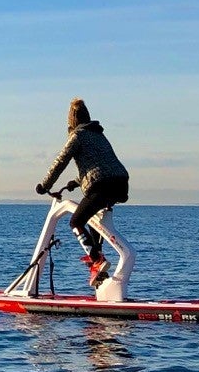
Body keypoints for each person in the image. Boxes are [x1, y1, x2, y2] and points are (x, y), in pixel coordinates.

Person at [35, 99, 130, 284]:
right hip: (120, 182)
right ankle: (99, 264)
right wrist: (78, 181)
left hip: (101, 185)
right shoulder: (99, 135)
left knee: (76, 221)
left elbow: (60, 162)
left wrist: (45, 185)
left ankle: (96, 261)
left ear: (71, 120)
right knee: (96, 221)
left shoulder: (77, 136)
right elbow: (103, 164)